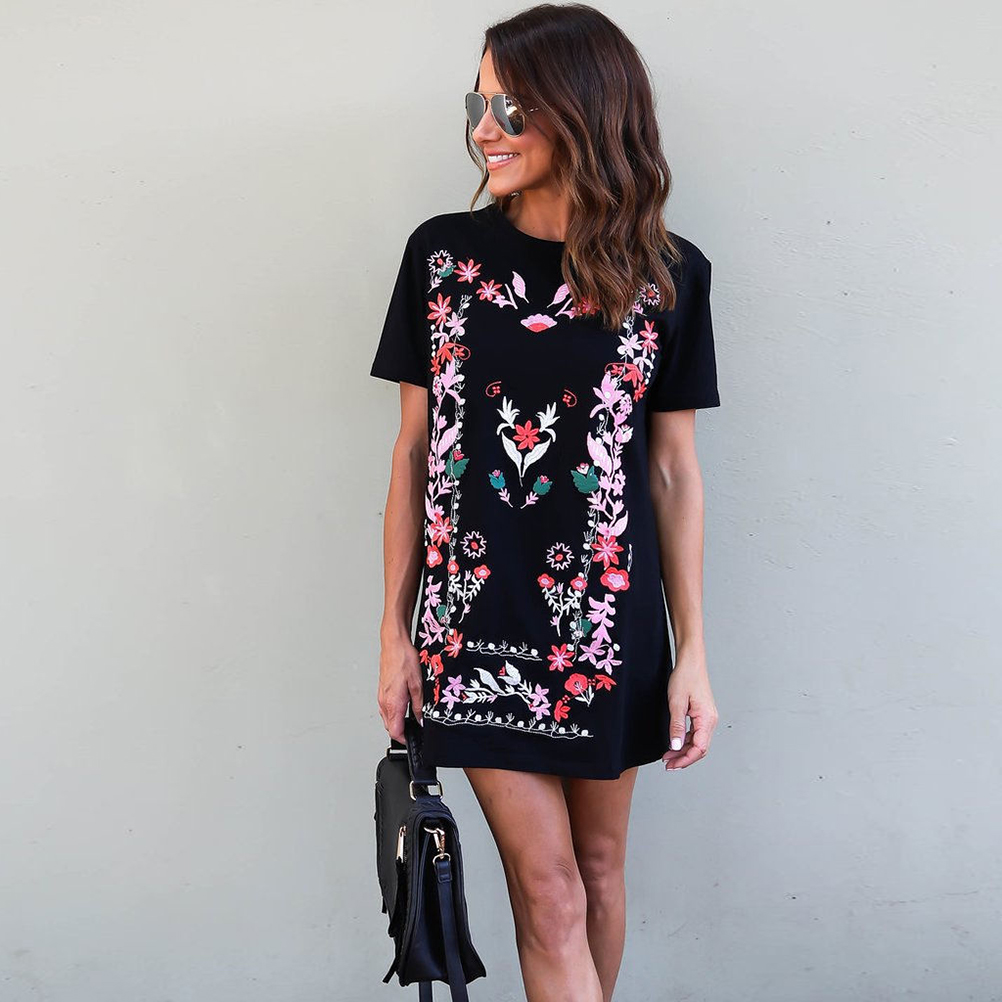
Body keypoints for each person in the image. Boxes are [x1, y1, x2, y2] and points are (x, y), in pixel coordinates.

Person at [369, 5, 721, 999]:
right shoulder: (442, 259)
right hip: (472, 629)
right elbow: (412, 454)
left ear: (583, 111)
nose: (485, 128)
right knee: (552, 891)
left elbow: (673, 472)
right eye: (478, 103)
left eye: (512, 107)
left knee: (599, 874)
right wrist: (394, 635)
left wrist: (693, 651)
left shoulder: (669, 276)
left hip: (607, 630)